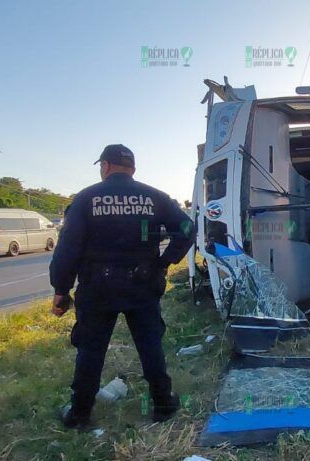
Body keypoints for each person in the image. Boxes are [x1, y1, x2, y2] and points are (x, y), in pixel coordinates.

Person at [49, 144, 195, 428]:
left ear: (104, 166)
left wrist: (61, 289)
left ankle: (79, 414)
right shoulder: (155, 197)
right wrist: (164, 262)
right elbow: (188, 229)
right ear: (133, 169)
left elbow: (68, 249)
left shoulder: (86, 198)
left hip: (97, 287)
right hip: (142, 284)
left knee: (91, 349)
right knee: (150, 344)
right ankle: (163, 404)